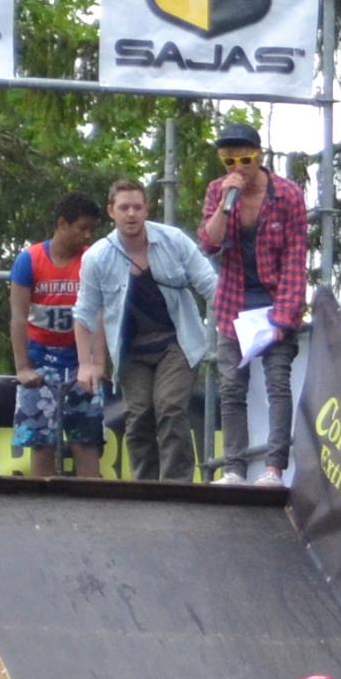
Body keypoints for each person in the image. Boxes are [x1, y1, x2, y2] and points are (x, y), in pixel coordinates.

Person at [74, 176, 222, 484]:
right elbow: (84, 312)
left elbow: (210, 285)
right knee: (139, 415)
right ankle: (146, 488)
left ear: (146, 209)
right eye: (124, 208)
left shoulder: (173, 241)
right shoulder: (96, 257)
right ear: (111, 211)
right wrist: (86, 364)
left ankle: (176, 487)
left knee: (169, 408)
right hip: (132, 351)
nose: (131, 214)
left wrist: (233, 327)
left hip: (177, 343)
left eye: (137, 207)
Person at [199, 118, 309, 480]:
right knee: (232, 388)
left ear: (260, 156)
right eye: (229, 161)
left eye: (245, 160)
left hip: (275, 302)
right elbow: (208, 243)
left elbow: (295, 260)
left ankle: (274, 468)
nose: (238, 168)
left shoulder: (288, 195)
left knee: (278, 384)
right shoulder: (218, 191)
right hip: (234, 305)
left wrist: (284, 317)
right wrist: (224, 205)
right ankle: (234, 468)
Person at [3, 192, 106, 481]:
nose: (87, 236)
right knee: (41, 442)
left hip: (79, 360)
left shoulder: (90, 260)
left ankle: (92, 503)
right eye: (82, 228)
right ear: (62, 224)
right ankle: (43, 502)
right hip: (41, 358)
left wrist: (97, 363)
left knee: (86, 440)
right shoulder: (29, 259)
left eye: (91, 229)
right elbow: (18, 317)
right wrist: (23, 367)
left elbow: (100, 315)